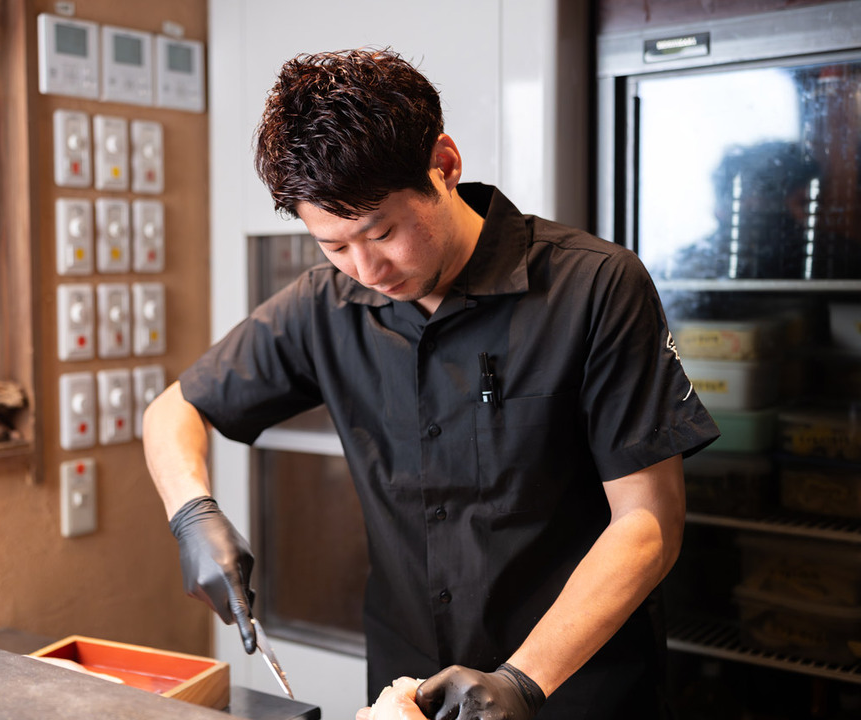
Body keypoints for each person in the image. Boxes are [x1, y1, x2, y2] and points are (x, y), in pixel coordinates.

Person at [142, 48, 719, 719]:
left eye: (382, 231)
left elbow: (648, 522)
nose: (366, 267)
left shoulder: (594, 287)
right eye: (333, 245)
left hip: (573, 685)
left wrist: (523, 681)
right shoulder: (324, 304)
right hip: (408, 688)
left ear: (444, 165)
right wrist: (192, 513)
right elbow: (175, 409)